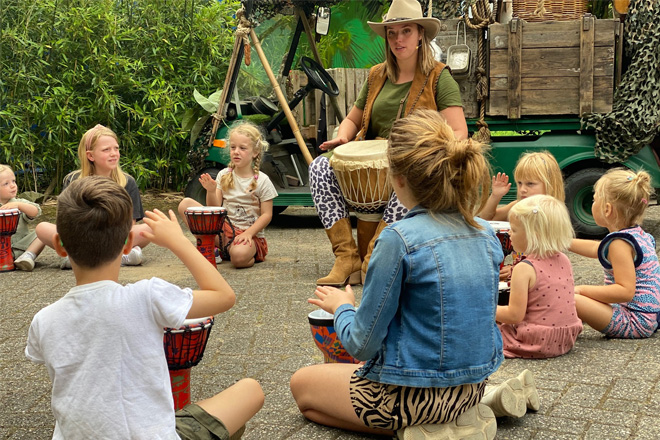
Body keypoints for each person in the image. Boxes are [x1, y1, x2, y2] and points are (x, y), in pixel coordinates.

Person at [290, 110, 541, 439]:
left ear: (397, 179)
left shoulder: (398, 239)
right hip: (472, 387)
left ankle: (419, 427)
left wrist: (342, 307)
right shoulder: (485, 233)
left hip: (410, 397)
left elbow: (361, 345)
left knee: (302, 388)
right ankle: (468, 413)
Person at [25, 176, 264, 439]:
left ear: (59, 245)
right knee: (250, 390)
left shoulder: (43, 320)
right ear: (128, 244)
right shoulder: (147, 296)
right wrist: (179, 241)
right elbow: (224, 296)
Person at [309, 0, 469, 286]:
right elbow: (352, 119)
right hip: (375, 158)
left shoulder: (438, 76)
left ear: (421, 34)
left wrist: (430, 153)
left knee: (405, 176)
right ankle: (346, 257)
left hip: (413, 162)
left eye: (406, 31)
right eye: (392, 33)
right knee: (319, 169)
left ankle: (374, 259)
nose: (398, 39)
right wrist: (344, 136)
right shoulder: (376, 75)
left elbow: (459, 133)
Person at [35, 124, 151, 269]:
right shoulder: (73, 181)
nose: (114, 153)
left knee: (150, 228)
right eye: (106, 150)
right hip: (82, 237)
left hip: (114, 237)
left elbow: (130, 223)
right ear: (90, 155)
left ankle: (81, 260)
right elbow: (65, 221)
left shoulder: (127, 182)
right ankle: (116, 258)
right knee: (42, 228)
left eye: (116, 148)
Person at [569, 168, 660, 338]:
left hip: (634, 321)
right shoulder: (639, 235)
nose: (593, 204)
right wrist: (563, 242)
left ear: (607, 209)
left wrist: (581, 289)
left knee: (570, 298)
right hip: (647, 317)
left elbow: (625, 291)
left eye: (594, 200)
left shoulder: (619, 243)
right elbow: (597, 249)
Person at [178, 121, 277, 269]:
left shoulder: (263, 180)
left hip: (249, 235)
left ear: (255, 152)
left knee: (238, 258)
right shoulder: (224, 175)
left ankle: (245, 254)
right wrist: (211, 191)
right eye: (233, 147)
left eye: (242, 148)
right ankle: (209, 246)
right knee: (185, 205)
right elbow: (214, 209)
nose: (236, 151)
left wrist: (248, 234)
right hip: (223, 231)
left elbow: (267, 215)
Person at [496, 194, 583, 358]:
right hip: (566, 338)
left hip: (534, 341)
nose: (509, 233)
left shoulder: (525, 268)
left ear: (533, 235)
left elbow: (514, 315)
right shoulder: (563, 259)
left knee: (479, 330)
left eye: (514, 230)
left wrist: (485, 309)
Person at [479, 151, 565, 280]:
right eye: (519, 183)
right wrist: (495, 196)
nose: (523, 189)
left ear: (549, 184)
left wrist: (515, 268)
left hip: (540, 276)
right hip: (522, 272)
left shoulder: (551, 214)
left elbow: (546, 254)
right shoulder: (519, 206)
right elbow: (486, 219)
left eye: (530, 184)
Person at [0, 164, 46, 271]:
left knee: (42, 233)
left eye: (13, 181)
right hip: (1, 250)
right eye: (6, 184)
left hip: (21, 247)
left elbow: (35, 211)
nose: (12, 185)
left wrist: (18, 206)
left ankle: (28, 256)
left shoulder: (19, 202)